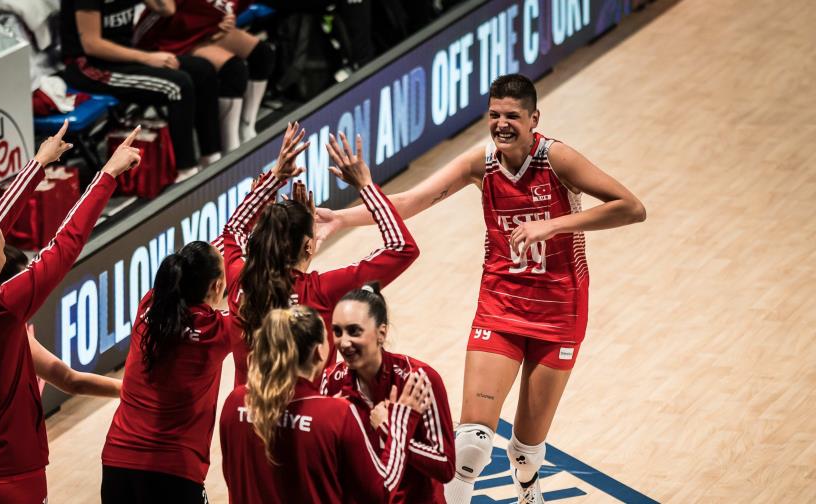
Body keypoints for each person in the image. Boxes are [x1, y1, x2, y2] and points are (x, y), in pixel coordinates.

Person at [315, 74, 647, 503]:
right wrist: (343, 218)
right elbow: (413, 199)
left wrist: (554, 224)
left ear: (534, 119)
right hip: (500, 306)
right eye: (494, 115)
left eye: (512, 116)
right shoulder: (481, 164)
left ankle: (528, 482)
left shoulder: (557, 159)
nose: (502, 124)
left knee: (527, 450)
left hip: (560, 309)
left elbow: (631, 208)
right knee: (470, 444)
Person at [0, 121, 141, 503]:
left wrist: (38, 164)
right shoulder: (1, 307)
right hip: (10, 477)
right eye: (3, 250)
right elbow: (65, 243)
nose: (6, 255)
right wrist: (107, 174)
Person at [221, 122, 419, 385]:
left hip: (245, 416)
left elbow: (234, 229)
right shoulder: (322, 291)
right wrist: (366, 186)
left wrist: (275, 177)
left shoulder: (239, 280)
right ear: (308, 246)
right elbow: (402, 248)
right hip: (311, 420)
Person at [219, 304, 432, 503]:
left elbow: (232, 477)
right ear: (319, 351)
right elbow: (381, 490)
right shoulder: (336, 415)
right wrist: (402, 424)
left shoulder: (235, 401)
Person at [100, 240, 232, 503]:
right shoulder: (216, 331)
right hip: (174, 473)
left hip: (117, 463)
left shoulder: (149, 306)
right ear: (217, 286)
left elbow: (194, 264)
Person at [321, 283, 455, 503]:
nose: (343, 343)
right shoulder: (331, 381)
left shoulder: (420, 379)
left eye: (354, 331)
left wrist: (388, 430)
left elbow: (445, 466)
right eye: (337, 331)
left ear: (381, 333)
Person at [61, 0, 222, 172]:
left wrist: (145, 57)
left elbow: (167, 8)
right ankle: (187, 172)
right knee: (177, 86)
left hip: (125, 57)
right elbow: (92, 45)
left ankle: (212, 160)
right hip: (91, 66)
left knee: (203, 70)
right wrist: (147, 58)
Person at [135, 0, 275, 151]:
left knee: (262, 54)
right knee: (232, 69)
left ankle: (247, 127)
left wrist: (226, 21)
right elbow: (157, 18)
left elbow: (229, 10)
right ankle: (231, 147)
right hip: (172, 41)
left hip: (206, 31)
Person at [0, 245, 122, 398]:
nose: (32, 289)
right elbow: (70, 381)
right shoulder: (5, 331)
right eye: (25, 284)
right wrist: (134, 390)